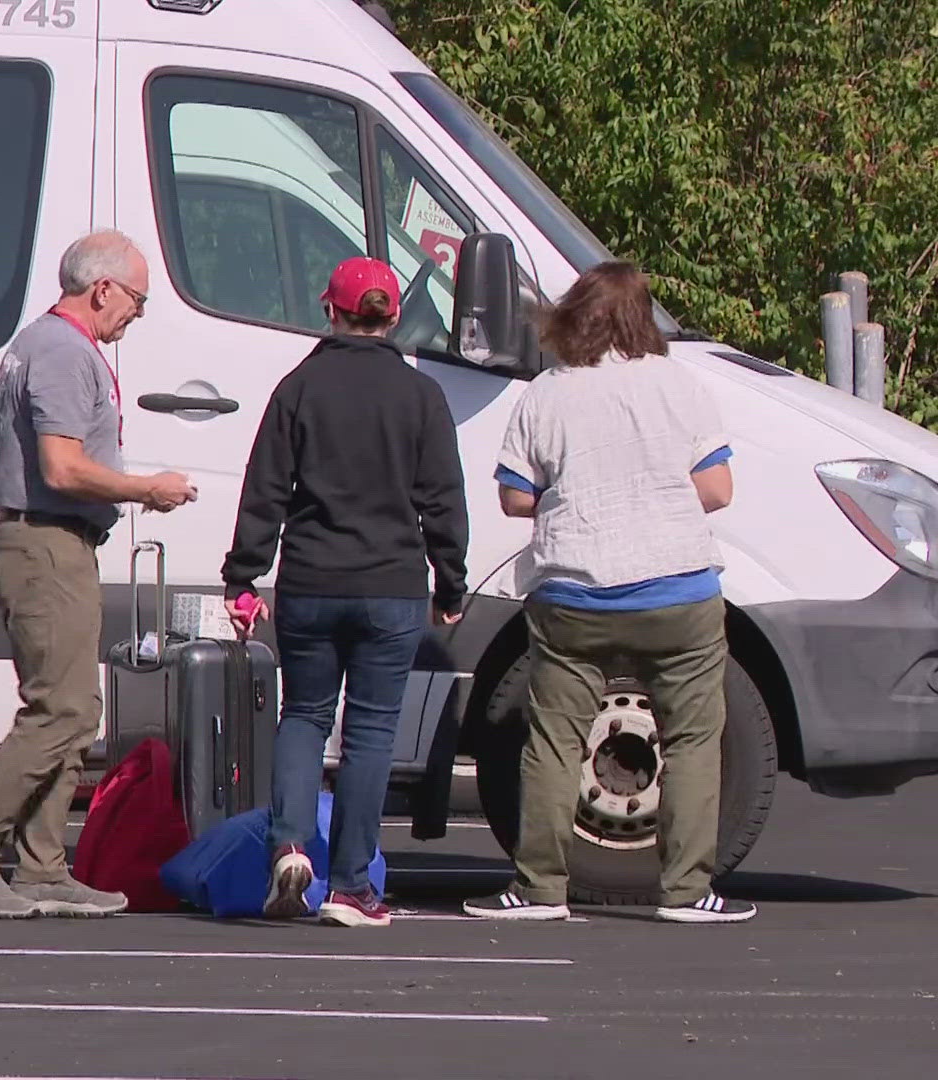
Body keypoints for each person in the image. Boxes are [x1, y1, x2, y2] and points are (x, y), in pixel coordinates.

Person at [463, 260, 755, 924]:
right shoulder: (678, 385)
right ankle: (687, 892)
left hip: (575, 597)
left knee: (554, 741)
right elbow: (717, 489)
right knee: (691, 741)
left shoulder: (547, 393)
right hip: (678, 592)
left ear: (573, 316)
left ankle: (538, 889)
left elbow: (515, 497)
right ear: (640, 318)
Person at [0, 229, 198, 919]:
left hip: (46, 542)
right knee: (62, 709)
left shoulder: (30, 345)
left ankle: (44, 868)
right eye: (136, 297)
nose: (137, 312)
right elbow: (62, 468)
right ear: (102, 288)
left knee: (75, 709)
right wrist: (146, 490)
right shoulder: (64, 353)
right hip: (50, 544)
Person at [220, 257, 468, 928]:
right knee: (371, 732)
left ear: (330, 312)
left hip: (310, 580)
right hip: (390, 585)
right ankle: (353, 886)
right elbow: (443, 499)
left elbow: (264, 489)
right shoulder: (422, 397)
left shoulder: (298, 387)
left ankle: (290, 844)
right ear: (392, 317)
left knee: (303, 715)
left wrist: (242, 578)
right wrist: (453, 582)